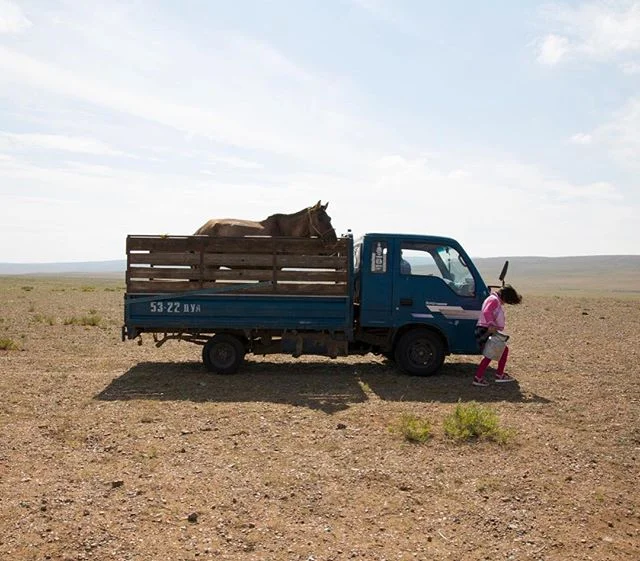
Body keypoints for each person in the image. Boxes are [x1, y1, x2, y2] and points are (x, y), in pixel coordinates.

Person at [472, 284, 522, 387]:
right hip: (486, 329)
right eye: (507, 301)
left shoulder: (493, 299)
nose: (504, 304)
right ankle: (480, 378)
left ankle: (497, 374)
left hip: (487, 329)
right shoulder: (494, 300)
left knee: (499, 351)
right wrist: (490, 324)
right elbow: (486, 312)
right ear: (504, 297)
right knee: (491, 352)